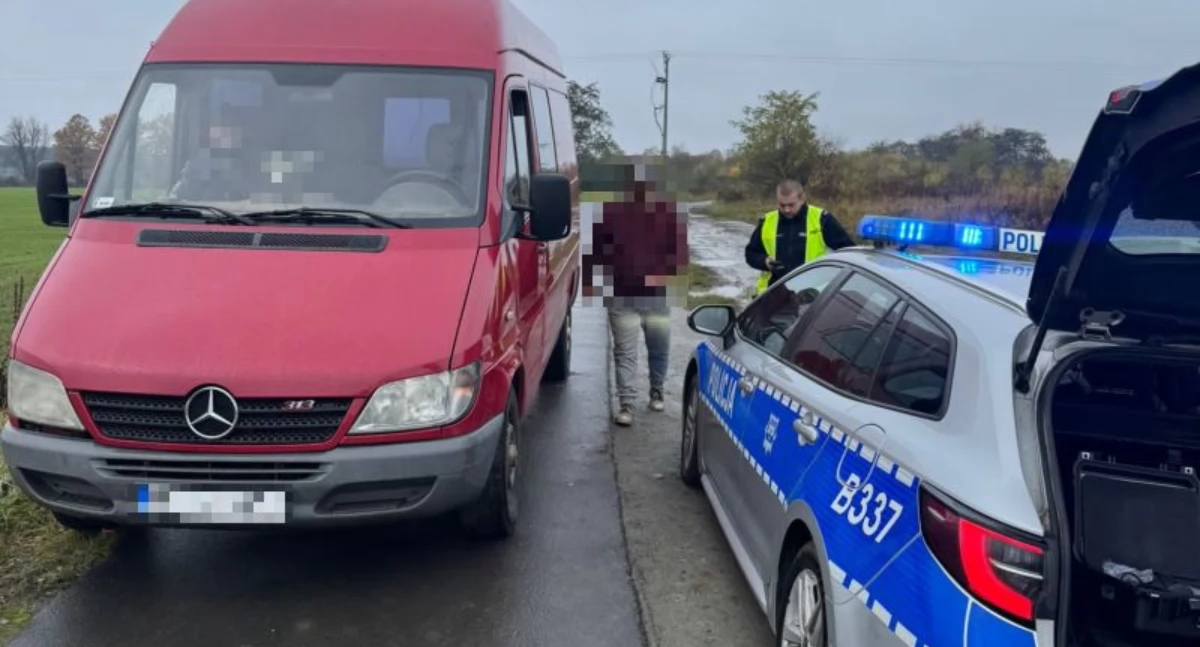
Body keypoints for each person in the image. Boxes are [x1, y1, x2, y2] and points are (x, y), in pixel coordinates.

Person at [582, 162, 688, 427]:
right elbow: (595, 251)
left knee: (658, 347)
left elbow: (680, 255)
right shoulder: (611, 214)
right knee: (626, 352)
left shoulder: (668, 214)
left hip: (656, 297)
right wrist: (590, 283)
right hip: (621, 296)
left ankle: (656, 389)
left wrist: (662, 274)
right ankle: (626, 403)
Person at [744, 179, 855, 294]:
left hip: (813, 294)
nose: (786, 210)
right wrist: (765, 262)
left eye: (791, 205)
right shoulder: (767, 221)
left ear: (802, 199)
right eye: (782, 205)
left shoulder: (821, 219)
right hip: (774, 293)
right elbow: (751, 254)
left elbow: (848, 251)